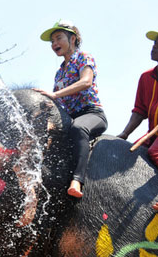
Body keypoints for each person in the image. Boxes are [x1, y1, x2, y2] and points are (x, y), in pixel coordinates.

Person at [34, 20, 108, 198]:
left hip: (91, 114)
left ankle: (77, 180)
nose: (54, 44)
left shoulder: (84, 57)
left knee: (78, 128)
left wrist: (55, 95)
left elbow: (86, 82)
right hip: (70, 116)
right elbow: (58, 102)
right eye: (52, 41)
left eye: (58, 38)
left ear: (73, 38)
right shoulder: (59, 72)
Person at [117, 29, 158, 208]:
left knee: (154, 153)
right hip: (153, 134)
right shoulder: (146, 77)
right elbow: (140, 110)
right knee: (133, 152)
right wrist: (125, 134)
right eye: (154, 43)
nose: (153, 47)